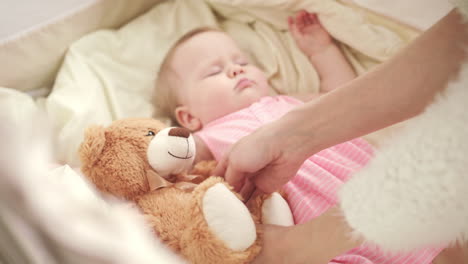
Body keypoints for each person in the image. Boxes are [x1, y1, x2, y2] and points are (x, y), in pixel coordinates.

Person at [153, 10, 442, 264]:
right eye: (214, 71)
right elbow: (165, 164)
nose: (236, 68)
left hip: (396, 201)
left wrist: (321, 51)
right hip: (321, 241)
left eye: (241, 60)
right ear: (189, 118)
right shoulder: (207, 137)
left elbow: (341, 93)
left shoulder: (288, 104)